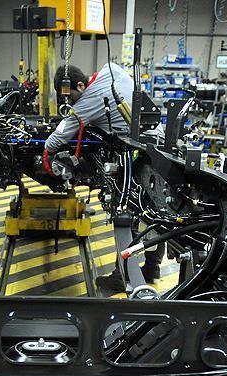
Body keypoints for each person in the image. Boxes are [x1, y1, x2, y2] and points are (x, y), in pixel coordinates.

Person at [43, 63, 164, 292]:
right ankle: (152, 267)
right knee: (154, 211)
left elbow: (60, 136)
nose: (70, 103)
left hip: (137, 153)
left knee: (128, 211)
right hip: (158, 145)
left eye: (70, 97)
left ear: (81, 85)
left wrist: (46, 150)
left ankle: (122, 276)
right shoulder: (111, 69)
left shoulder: (89, 100)